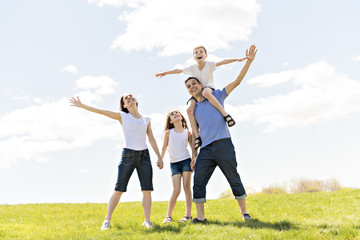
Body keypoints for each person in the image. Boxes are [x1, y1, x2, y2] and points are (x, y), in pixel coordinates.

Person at [184, 45, 258, 223]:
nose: (192, 87)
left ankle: (244, 213)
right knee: (198, 182)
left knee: (234, 178)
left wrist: (248, 62)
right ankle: (200, 217)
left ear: (201, 84)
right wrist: (195, 155)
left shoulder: (217, 95)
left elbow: (237, 80)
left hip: (223, 144)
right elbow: (195, 135)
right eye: (188, 86)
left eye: (194, 84)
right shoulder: (193, 109)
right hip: (206, 150)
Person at [69, 93, 163, 230]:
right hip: (128, 156)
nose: (130, 98)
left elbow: (152, 139)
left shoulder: (146, 119)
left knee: (147, 189)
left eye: (131, 96)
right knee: (119, 189)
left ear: (136, 100)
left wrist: (159, 157)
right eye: (126, 98)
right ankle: (107, 220)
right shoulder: (122, 116)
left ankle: (147, 221)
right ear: (124, 105)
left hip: (144, 157)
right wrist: (82, 105)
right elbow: (101, 111)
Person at [156, 46, 248, 150]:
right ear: (194, 57)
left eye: (201, 52)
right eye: (196, 52)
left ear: (205, 55)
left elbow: (223, 62)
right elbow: (178, 70)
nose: (198, 53)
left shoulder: (209, 65)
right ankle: (197, 137)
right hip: (198, 94)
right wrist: (165, 73)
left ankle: (225, 115)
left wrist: (237, 59)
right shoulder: (192, 68)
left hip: (208, 89)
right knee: (189, 109)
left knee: (205, 92)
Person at [160, 109, 197, 223]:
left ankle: (188, 215)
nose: (175, 114)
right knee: (176, 190)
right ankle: (168, 216)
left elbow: (193, 147)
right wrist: (160, 159)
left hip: (186, 161)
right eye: (172, 114)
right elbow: (164, 147)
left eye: (177, 113)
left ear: (181, 117)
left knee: (187, 188)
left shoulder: (188, 133)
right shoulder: (168, 133)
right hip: (174, 164)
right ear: (170, 121)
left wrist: (195, 158)